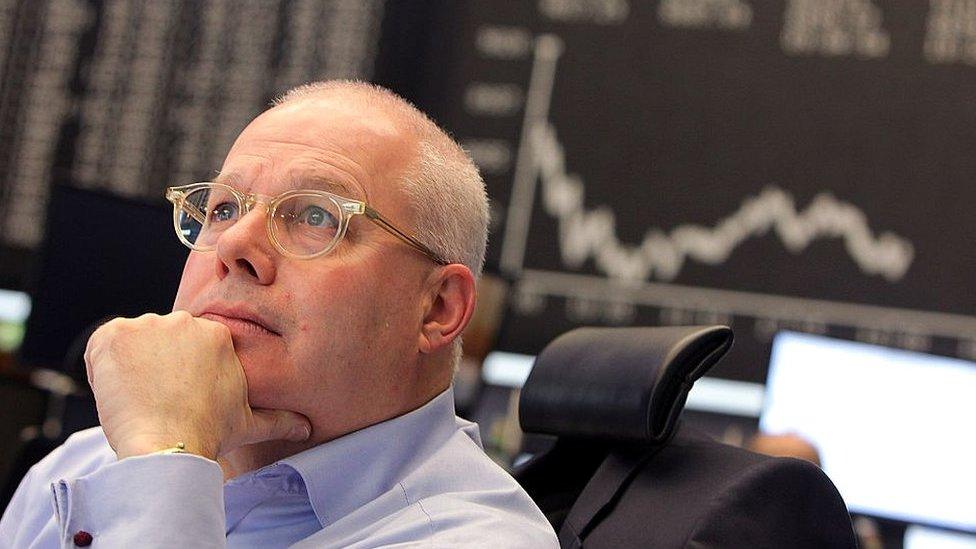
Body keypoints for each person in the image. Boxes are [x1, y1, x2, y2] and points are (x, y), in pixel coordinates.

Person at [0, 81, 558, 547]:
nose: (233, 244)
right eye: (221, 208)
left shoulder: (477, 540)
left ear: (437, 309)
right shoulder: (87, 464)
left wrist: (161, 459)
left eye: (315, 215)